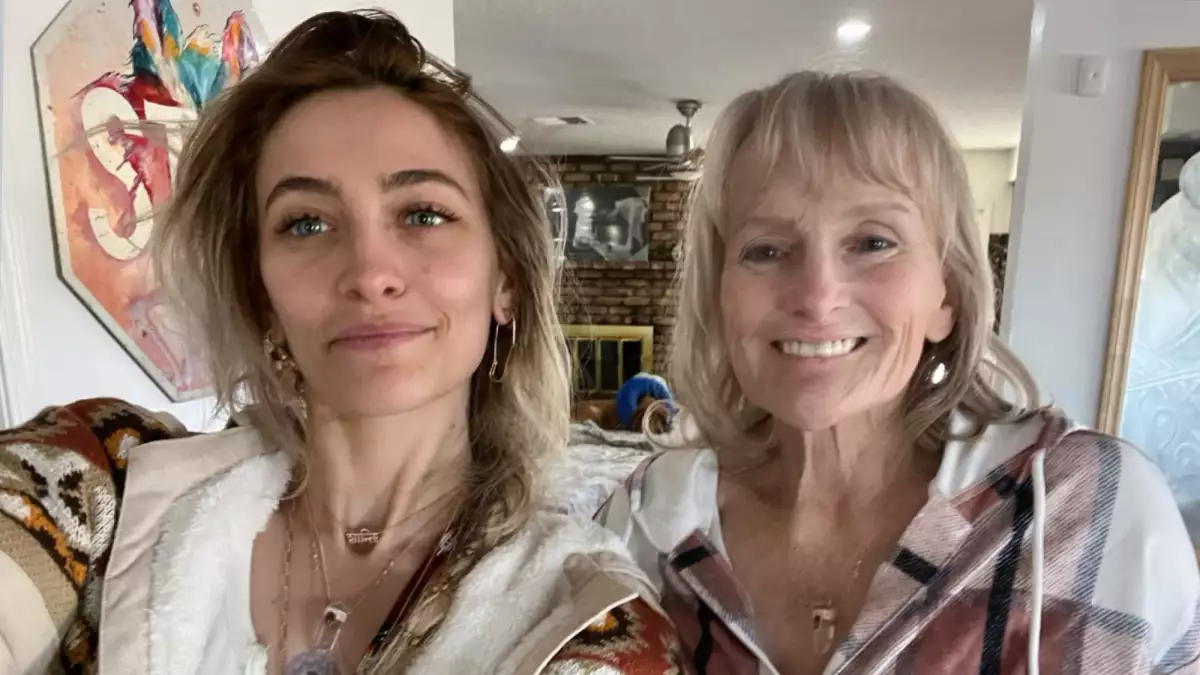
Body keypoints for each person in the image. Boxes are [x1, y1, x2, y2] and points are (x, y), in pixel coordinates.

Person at [0, 11, 683, 674]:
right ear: (261, 295)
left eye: (423, 213)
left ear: (505, 279)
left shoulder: (585, 620)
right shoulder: (108, 480)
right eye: (306, 223)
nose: (369, 272)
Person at [597, 71, 1200, 675]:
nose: (817, 298)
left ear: (947, 295)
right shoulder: (645, 523)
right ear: (719, 297)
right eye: (767, 250)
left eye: (873, 242)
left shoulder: (1091, 511)